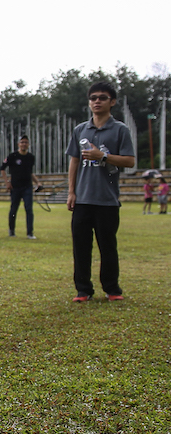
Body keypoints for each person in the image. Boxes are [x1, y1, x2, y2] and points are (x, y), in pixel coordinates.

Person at [66, 82, 135, 302]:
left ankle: (112, 288)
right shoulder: (80, 130)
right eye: (93, 97)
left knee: (108, 246)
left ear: (112, 102)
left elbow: (130, 161)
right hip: (83, 198)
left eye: (102, 98)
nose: (97, 101)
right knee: (81, 247)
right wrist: (71, 191)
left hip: (107, 200)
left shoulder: (120, 130)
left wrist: (103, 157)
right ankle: (83, 290)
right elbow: (74, 161)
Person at [0, 135, 42, 239]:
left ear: (28, 144)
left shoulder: (30, 157)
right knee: (14, 209)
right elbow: (2, 169)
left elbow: (30, 172)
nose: (24, 144)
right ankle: (12, 230)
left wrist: (38, 182)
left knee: (29, 209)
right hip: (15, 187)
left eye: (26, 142)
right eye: (22, 142)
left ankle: (30, 233)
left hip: (27, 186)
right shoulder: (12, 156)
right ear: (19, 144)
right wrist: (7, 183)